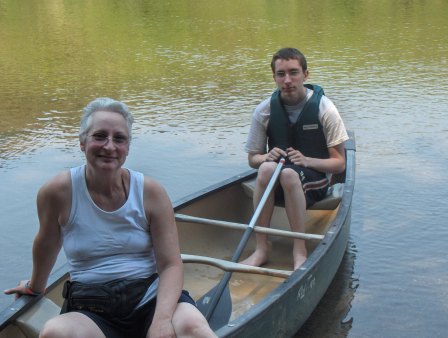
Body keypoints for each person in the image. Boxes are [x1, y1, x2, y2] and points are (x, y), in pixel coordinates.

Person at [4, 98, 216, 338]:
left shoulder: (151, 192)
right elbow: (47, 245)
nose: (109, 146)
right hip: (92, 309)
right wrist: (35, 287)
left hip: (151, 298)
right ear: (83, 142)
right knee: (55, 332)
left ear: (128, 147)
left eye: (119, 138)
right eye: (99, 136)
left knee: (192, 327)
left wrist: (161, 322)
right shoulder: (57, 192)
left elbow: (170, 264)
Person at [241, 48, 349, 270]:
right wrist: (265, 157)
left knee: (289, 174)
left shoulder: (325, 108)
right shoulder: (264, 111)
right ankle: (262, 248)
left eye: (293, 73)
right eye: (281, 74)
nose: (287, 80)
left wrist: (307, 161)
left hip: (315, 179)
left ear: (305, 75)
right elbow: (253, 159)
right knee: (265, 170)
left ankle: (299, 251)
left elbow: (339, 163)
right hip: (279, 179)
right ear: (274, 77)